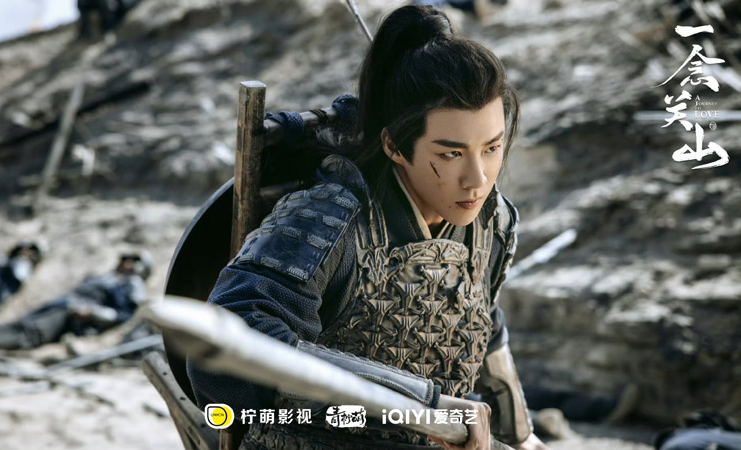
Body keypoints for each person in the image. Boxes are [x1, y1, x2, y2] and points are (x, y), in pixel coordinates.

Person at [187, 5, 547, 450]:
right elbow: (227, 347)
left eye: (491, 148)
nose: (478, 179)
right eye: (451, 154)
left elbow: (483, 322)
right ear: (394, 146)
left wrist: (523, 437)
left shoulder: (493, 220)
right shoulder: (329, 220)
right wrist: (423, 405)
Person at [0, 251, 153, 350]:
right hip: (64, 303)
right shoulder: (109, 277)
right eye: (125, 261)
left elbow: (123, 314)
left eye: (131, 262)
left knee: (34, 331)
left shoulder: (132, 284)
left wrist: (92, 313)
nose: (125, 264)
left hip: (74, 312)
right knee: (24, 322)